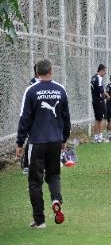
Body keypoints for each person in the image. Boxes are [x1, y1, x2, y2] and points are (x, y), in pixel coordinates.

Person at [15, 59, 71, 228]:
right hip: (55, 141)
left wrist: (19, 143)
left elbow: (24, 118)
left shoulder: (31, 91)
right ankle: (56, 199)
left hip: (37, 142)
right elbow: (66, 118)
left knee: (34, 180)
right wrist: (64, 139)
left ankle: (39, 220)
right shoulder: (60, 90)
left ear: (36, 73)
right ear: (51, 71)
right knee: (53, 175)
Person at [22, 64, 40, 174]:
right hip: (33, 119)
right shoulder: (33, 83)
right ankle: (26, 165)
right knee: (31, 140)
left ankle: (38, 164)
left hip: (40, 118)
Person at [91, 64, 109, 143]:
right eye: (105, 71)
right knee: (103, 118)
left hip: (94, 101)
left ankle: (96, 137)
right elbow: (101, 90)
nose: (105, 73)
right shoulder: (99, 77)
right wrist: (107, 96)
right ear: (101, 70)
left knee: (97, 119)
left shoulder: (93, 77)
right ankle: (101, 137)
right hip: (100, 101)